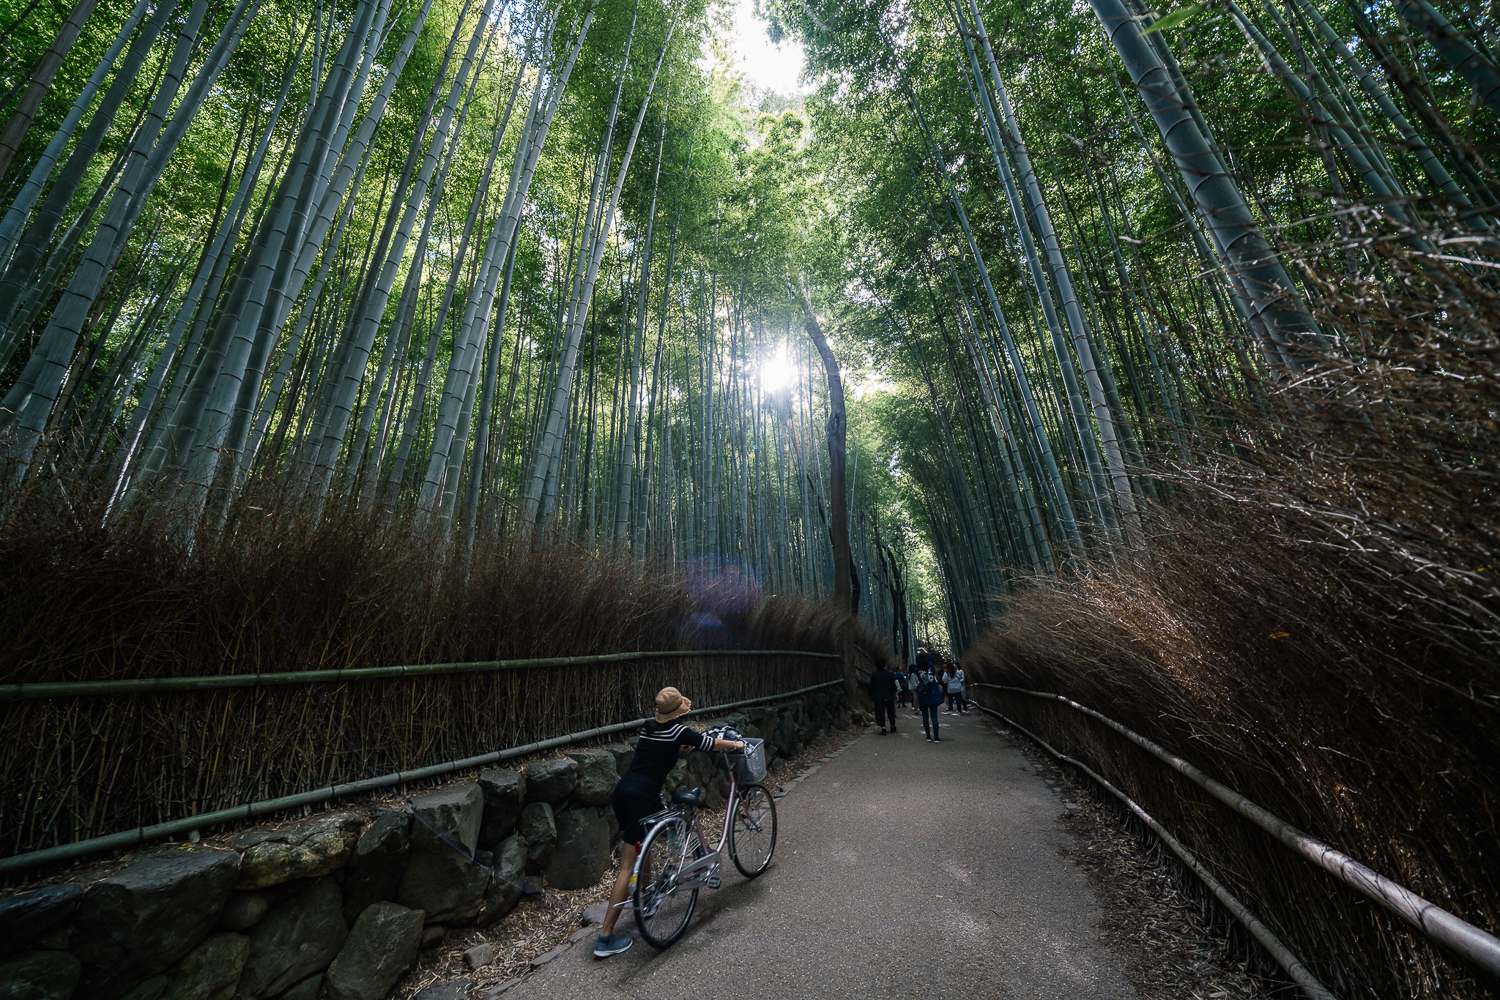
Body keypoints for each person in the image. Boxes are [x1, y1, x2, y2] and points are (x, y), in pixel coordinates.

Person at [594, 687, 746, 958]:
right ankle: (605, 937)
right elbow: (709, 744)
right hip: (642, 797)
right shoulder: (679, 731)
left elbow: (658, 750)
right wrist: (736, 745)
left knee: (643, 844)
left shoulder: (648, 727)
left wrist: (681, 747)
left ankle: (649, 897)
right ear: (680, 711)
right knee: (627, 866)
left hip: (625, 791)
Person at [914, 659, 944, 743]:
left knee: (925, 716)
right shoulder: (931, 668)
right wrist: (926, 654)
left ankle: (928, 736)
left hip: (923, 695)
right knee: (934, 717)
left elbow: (917, 666)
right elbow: (930, 659)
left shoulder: (917, 670)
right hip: (933, 695)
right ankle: (936, 737)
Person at [868, 661, 898, 735]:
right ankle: (892, 725)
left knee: (880, 712)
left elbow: (871, 685)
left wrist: (871, 694)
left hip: (879, 696)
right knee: (891, 711)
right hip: (889, 695)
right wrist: (895, 693)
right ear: (885, 665)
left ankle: (883, 728)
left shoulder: (874, 674)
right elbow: (893, 685)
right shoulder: (890, 673)